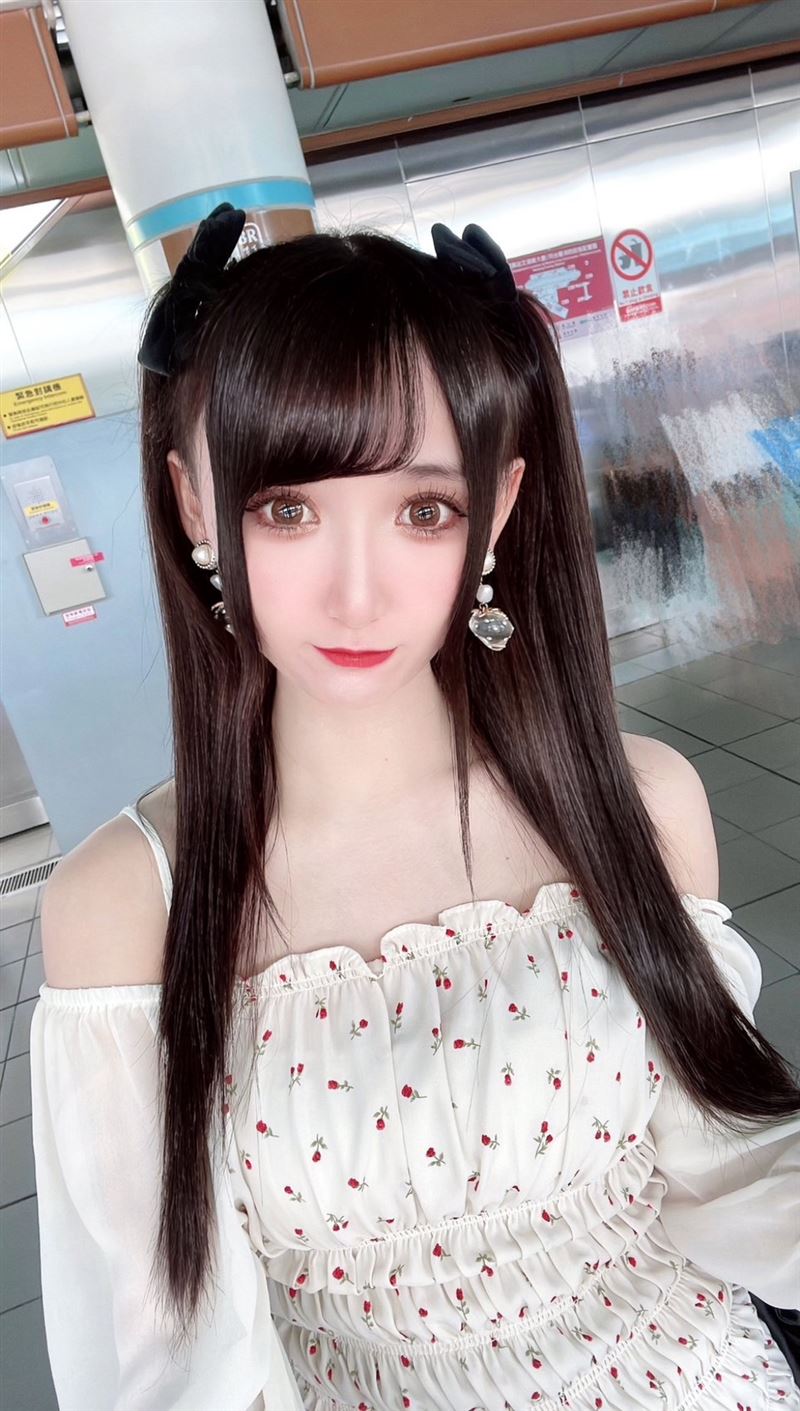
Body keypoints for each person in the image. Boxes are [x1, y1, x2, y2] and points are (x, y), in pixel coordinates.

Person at [31, 207, 800, 1411]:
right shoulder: (126, 906)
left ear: (497, 506)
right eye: (287, 508)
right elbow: (175, 1360)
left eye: (422, 510)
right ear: (192, 506)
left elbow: (728, 1161)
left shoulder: (636, 804)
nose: (356, 591)